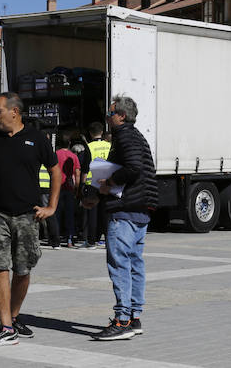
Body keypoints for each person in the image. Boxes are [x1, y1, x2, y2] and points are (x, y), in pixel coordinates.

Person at [0, 92, 61, 348]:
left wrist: (51, 206)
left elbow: (55, 170)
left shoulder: (37, 139)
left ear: (14, 112)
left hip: (27, 215)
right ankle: (6, 326)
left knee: (23, 270)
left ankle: (14, 317)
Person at [92, 95, 158, 341]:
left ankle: (122, 320)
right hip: (140, 209)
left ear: (121, 115)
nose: (108, 118)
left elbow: (132, 168)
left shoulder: (125, 136)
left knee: (120, 264)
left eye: (111, 113)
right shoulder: (137, 135)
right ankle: (135, 316)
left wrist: (109, 181)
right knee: (134, 264)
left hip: (125, 209)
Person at [80, 121, 110, 249]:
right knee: (106, 213)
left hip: (92, 183)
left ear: (90, 133)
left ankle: (92, 241)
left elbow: (85, 168)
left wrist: (82, 185)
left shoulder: (89, 147)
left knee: (92, 213)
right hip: (107, 182)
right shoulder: (109, 145)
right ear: (102, 132)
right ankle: (108, 241)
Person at [55, 141, 81, 248]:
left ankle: (56, 240)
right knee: (70, 214)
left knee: (57, 214)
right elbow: (77, 174)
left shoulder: (55, 154)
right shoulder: (74, 156)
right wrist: (77, 189)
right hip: (69, 188)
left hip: (58, 187)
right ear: (70, 143)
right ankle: (69, 239)